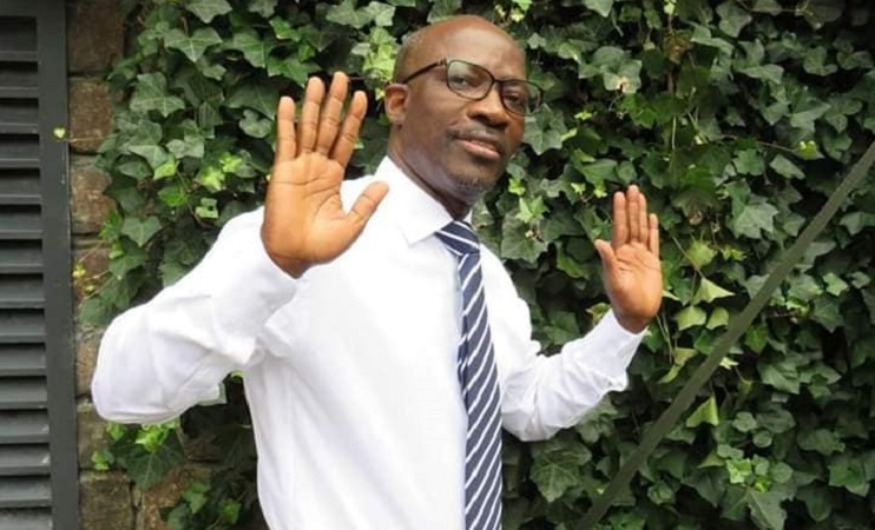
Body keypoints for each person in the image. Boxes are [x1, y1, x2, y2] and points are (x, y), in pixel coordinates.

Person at [92, 14, 662, 530]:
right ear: (397, 103)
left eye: (513, 96)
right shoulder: (300, 243)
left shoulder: (483, 273)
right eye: (464, 79)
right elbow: (123, 392)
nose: (494, 109)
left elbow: (527, 406)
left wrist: (625, 326)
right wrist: (271, 267)